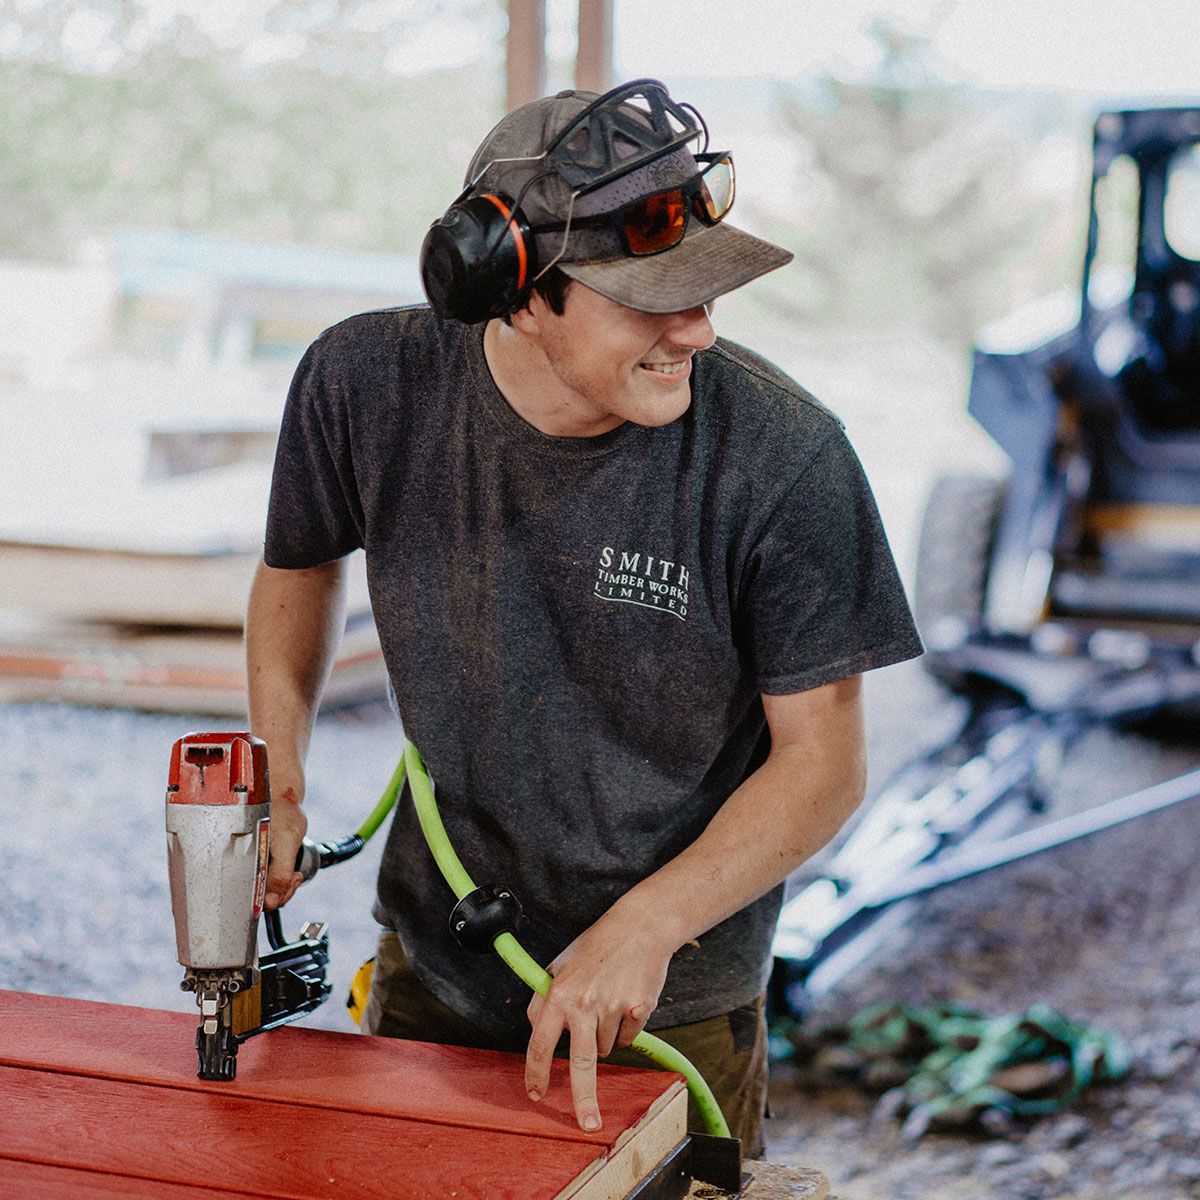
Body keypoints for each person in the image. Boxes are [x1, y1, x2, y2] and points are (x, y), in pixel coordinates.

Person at [246, 78, 923, 1158]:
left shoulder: (782, 458)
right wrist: (274, 774)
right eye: (653, 299)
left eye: (706, 292)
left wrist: (645, 928)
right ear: (516, 291)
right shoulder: (363, 384)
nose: (697, 330)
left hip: (670, 1000)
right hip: (438, 958)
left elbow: (824, 765)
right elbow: (298, 568)